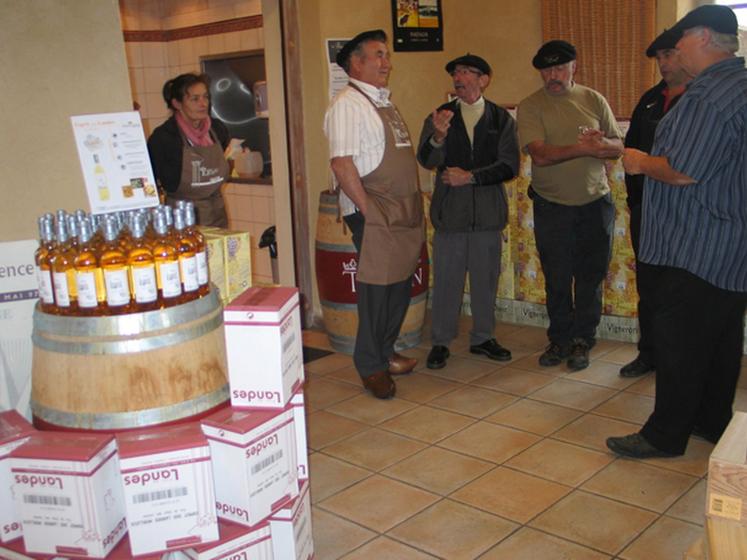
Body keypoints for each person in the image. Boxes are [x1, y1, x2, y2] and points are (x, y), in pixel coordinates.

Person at [608, 5, 747, 458]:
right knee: (721, 343)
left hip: (696, 246)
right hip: (730, 243)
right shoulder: (739, 86)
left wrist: (637, 160)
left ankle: (664, 434)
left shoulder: (709, 96)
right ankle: (710, 421)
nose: (676, 50)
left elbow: (684, 171)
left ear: (703, 37)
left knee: (681, 344)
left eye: (681, 40)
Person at [323, 29, 424, 399]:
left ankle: (385, 350)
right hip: (375, 210)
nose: (387, 62)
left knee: (398, 286)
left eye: (386, 55)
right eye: (378, 55)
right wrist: (370, 212)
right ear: (356, 63)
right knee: (377, 292)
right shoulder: (347, 104)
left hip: (402, 208)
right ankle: (370, 365)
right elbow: (341, 163)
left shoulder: (381, 102)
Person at [517, 40, 623, 372]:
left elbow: (618, 146)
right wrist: (585, 149)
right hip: (553, 207)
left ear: (574, 67)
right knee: (557, 277)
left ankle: (582, 340)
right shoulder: (531, 105)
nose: (553, 75)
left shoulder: (593, 99)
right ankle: (559, 338)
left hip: (595, 204)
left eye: (560, 68)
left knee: (590, 278)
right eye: (546, 70)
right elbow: (541, 154)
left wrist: (602, 144)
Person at [417, 54, 519, 369]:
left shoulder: (501, 119)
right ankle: (441, 342)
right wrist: (438, 137)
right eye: (455, 73)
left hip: (488, 215)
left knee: (485, 281)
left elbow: (509, 165)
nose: (459, 78)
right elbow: (426, 159)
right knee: (447, 281)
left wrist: (470, 177)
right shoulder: (440, 116)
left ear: (483, 79)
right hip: (451, 215)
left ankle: (483, 338)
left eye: (466, 72)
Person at [619, 28, 692, 379]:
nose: (663, 63)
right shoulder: (650, 99)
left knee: (682, 291)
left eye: (669, 55)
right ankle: (648, 353)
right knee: (648, 286)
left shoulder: (700, 99)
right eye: (659, 57)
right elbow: (630, 152)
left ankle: (678, 362)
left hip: (686, 214)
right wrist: (636, 202)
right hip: (648, 211)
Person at [148, 73, 230, 227]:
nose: (203, 103)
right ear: (177, 104)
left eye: (205, 97)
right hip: (181, 218)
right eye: (195, 99)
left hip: (216, 213)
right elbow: (152, 179)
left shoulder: (218, 130)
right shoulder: (164, 138)